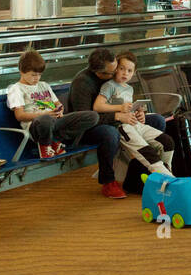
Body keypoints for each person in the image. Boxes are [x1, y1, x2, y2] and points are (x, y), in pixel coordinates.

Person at [67, 47, 171, 199]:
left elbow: (123, 102)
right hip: (87, 128)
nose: (117, 73)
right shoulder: (82, 83)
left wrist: (138, 113)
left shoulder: (113, 77)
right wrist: (116, 116)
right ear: (99, 72)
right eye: (112, 71)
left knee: (157, 120)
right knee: (110, 133)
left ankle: (147, 171)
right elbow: (86, 119)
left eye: (117, 68)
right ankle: (108, 181)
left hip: (116, 120)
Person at [6, 49, 102, 159]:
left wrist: (59, 109)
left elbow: (57, 103)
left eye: (39, 75)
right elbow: (19, 116)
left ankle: (55, 140)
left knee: (93, 116)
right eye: (33, 75)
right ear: (21, 71)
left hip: (54, 122)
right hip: (37, 126)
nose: (37, 78)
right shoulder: (16, 89)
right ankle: (45, 145)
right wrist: (45, 114)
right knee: (45, 119)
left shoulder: (44, 85)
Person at [94, 52, 175, 174]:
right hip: (122, 127)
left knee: (167, 142)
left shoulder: (129, 88)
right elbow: (97, 106)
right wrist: (120, 107)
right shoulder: (109, 86)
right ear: (116, 69)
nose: (125, 73)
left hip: (135, 124)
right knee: (148, 152)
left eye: (129, 70)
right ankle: (169, 180)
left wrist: (139, 113)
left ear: (134, 72)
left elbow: (128, 109)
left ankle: (165, 174)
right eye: (122, 69)